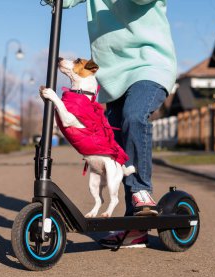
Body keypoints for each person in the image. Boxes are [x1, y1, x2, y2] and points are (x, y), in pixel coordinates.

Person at [45, 0, 177, 248]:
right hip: (112, 79)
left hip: (149, 65)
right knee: (116, 150)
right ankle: (135, 227)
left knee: (134, 116)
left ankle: (141, 190)